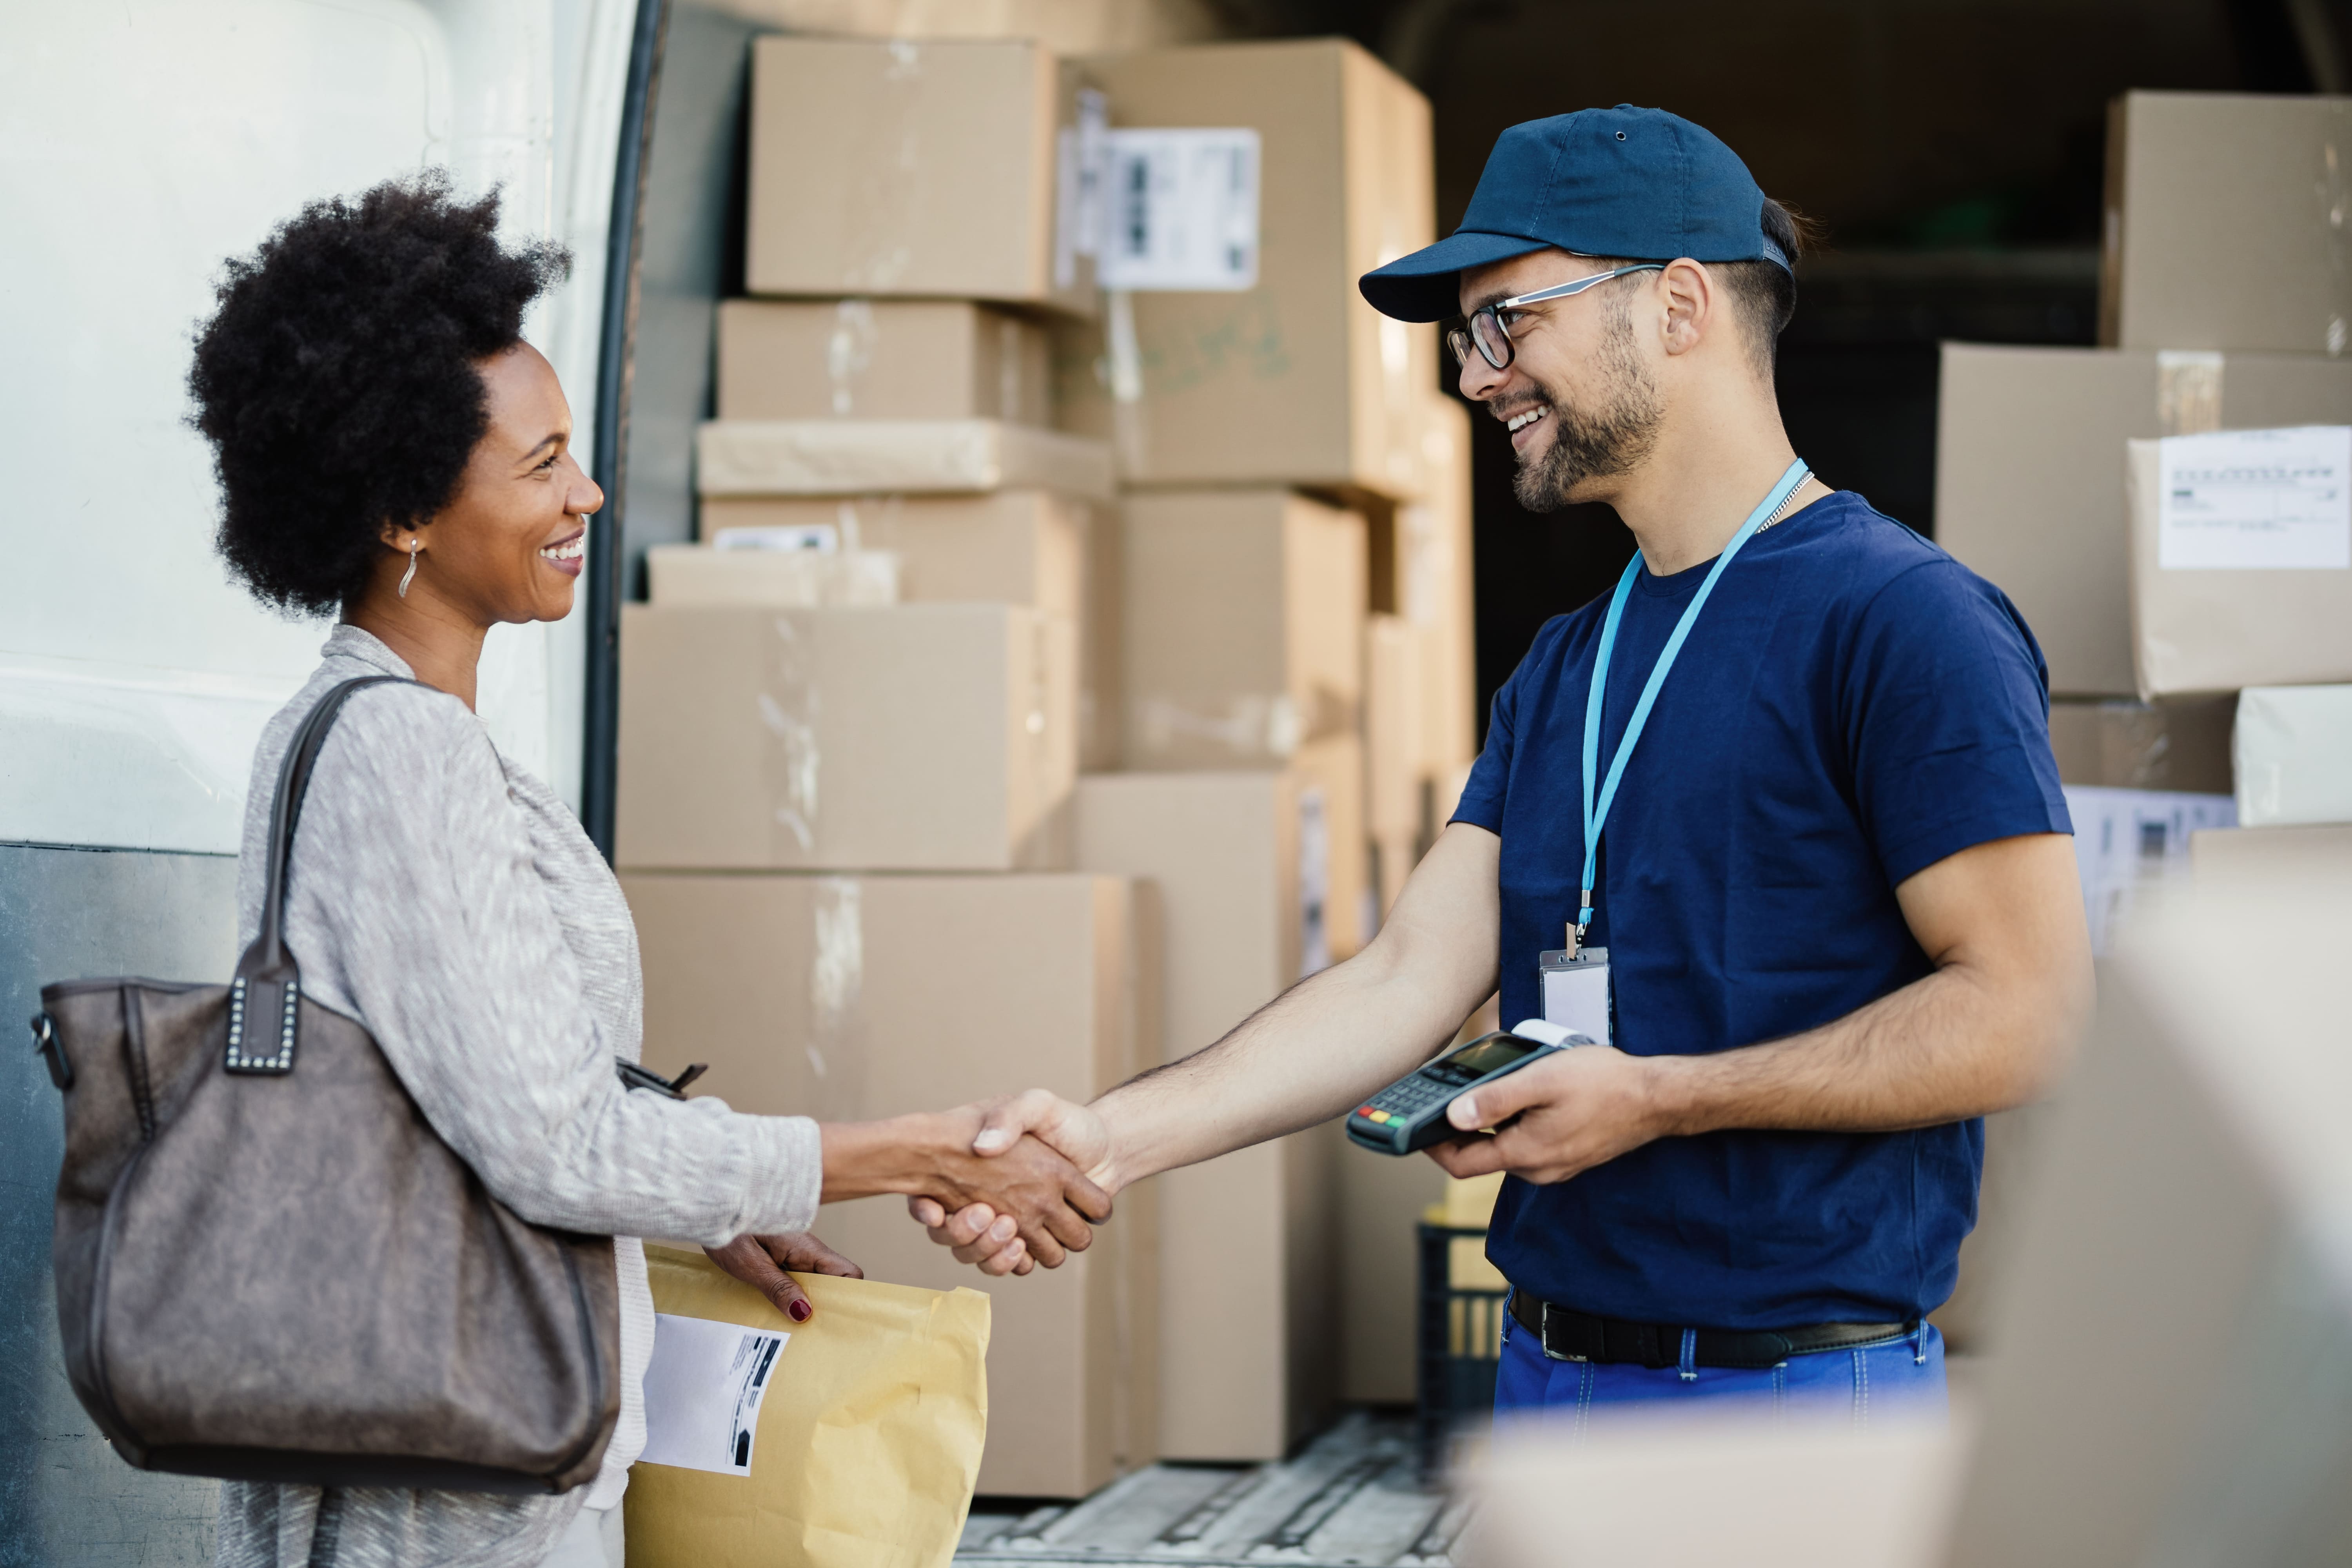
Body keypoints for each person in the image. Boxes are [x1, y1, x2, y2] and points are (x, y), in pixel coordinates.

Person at [918, 107, 2093, 1423]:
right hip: (1547, 1377)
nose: (1476, 376)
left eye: (1508, 322)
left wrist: (1659, 1100)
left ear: (1681, 305)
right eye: (1466, 337)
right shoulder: (1567, 662)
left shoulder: (1907, 622)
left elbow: (2025, 1011)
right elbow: (1409, 974)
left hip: (1793, 1398)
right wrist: (1106, 1141)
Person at [191, 174, 1091, 1568]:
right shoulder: (397, 756)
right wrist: (896, 1153)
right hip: (441, 1497)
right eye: (542, 462)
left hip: (485, 1454)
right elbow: (554, 1141)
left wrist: (708, 1205)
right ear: (402, 509)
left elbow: (497, 1081)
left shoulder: (407, 735)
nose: (589, 490)